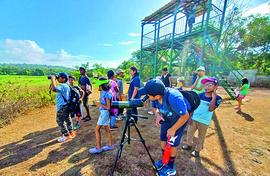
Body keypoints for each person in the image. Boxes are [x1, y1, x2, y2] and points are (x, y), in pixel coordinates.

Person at [138, 79, 193, 176]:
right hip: (166, 118)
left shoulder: (174, 98)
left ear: (158, 96)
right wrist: (158, 114)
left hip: (178, 120)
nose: (147, 96)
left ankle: (171, 167)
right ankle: (164, 161)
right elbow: (155, 108)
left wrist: (173, 129)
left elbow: (185, 116)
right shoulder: (155, 96)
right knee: (163, 140)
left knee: (172, 144)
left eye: (149, 95)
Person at [182, 77, 222, 157]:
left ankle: (197, 150)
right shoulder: (199, 96)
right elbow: (194, 107)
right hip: (194, 119)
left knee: (201, 136)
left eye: (210, 85)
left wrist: (213, 98)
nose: (207, 86)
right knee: (190, 133)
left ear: (216, 86)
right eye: (206, 85)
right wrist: (190, 118)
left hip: (204, 121)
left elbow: (211, 109)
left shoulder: (218, 99)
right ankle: (189, 145)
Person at [89, 77, 114, 154]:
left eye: (99, 85)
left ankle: (98, 148)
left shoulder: (106, 94)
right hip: (105, 113)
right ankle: (110, 145)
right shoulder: (105, 92)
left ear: (102, 85)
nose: (98, 87)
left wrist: (99, 104)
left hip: (104, 113)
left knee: (97, 129)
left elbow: (108, 107)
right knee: (107, 129)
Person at [50, 73, 76, 142]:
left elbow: (54, 89)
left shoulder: (62, 85)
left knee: (60, 121)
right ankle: (71, 132)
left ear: (64, 78)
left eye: (59, 77)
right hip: (67, 105)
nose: (58, 79)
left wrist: (53, 78)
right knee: (67, 119)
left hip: (62, 106)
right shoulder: (67, 85)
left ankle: (66, 135)